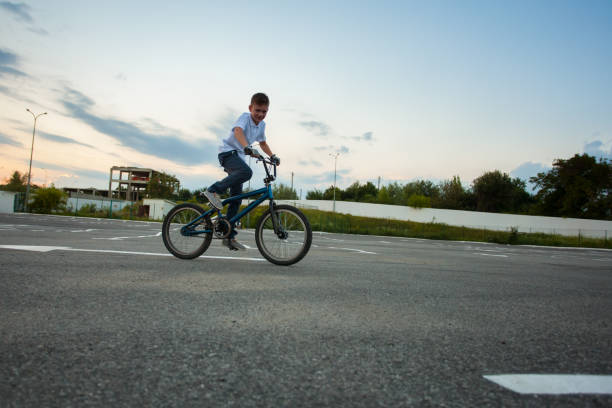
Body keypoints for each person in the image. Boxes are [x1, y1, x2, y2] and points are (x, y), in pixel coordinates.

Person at [203, 92, 280, 251]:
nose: (260, 114)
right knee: (246, 172)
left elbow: (263, 143)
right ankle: (212, 191)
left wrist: (272, 156)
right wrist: (247, 147)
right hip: (227, 153)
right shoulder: (245, 117)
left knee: (236, 199)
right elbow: (238, 131)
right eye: (257, 110)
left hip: (238, 157)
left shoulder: (262, 126)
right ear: (250, 108)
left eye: (264, 111)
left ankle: (228, 236)